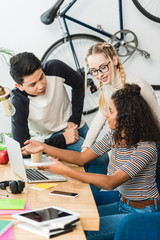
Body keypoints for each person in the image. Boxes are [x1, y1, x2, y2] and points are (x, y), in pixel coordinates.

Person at [22, 83, 160, 240]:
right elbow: (82, 157)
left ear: (125, 117)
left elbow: (110, 182)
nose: (106, 115)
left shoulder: (146, 149)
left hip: (142, 214)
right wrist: (43, 147)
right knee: (70, 220)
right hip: (122, 204)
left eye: (111, 111)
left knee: (78, 231)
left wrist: (65, 170)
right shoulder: (115, 136)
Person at [9, 52, 108, 190]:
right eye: (32, 84)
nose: (41, 86)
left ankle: (94, 202)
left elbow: (79, 83)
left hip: (75, 125)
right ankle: (92, 205)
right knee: (99, 159)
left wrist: (74, 119)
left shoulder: (55, 67)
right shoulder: (18, 102)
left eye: (41, 77)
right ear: (19, 86)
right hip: (51, 137)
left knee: (100, 160)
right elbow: (23, 148)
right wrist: (63, 139)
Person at [82, 42, 160, 178]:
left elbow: (157, 120)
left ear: (114, 60)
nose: (99, 75)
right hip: (130, 150)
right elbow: (101, 116)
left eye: (103, 67)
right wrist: (86, 147)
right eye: (94, 70)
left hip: (148, 152)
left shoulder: (138, 85)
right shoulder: (108, 85)